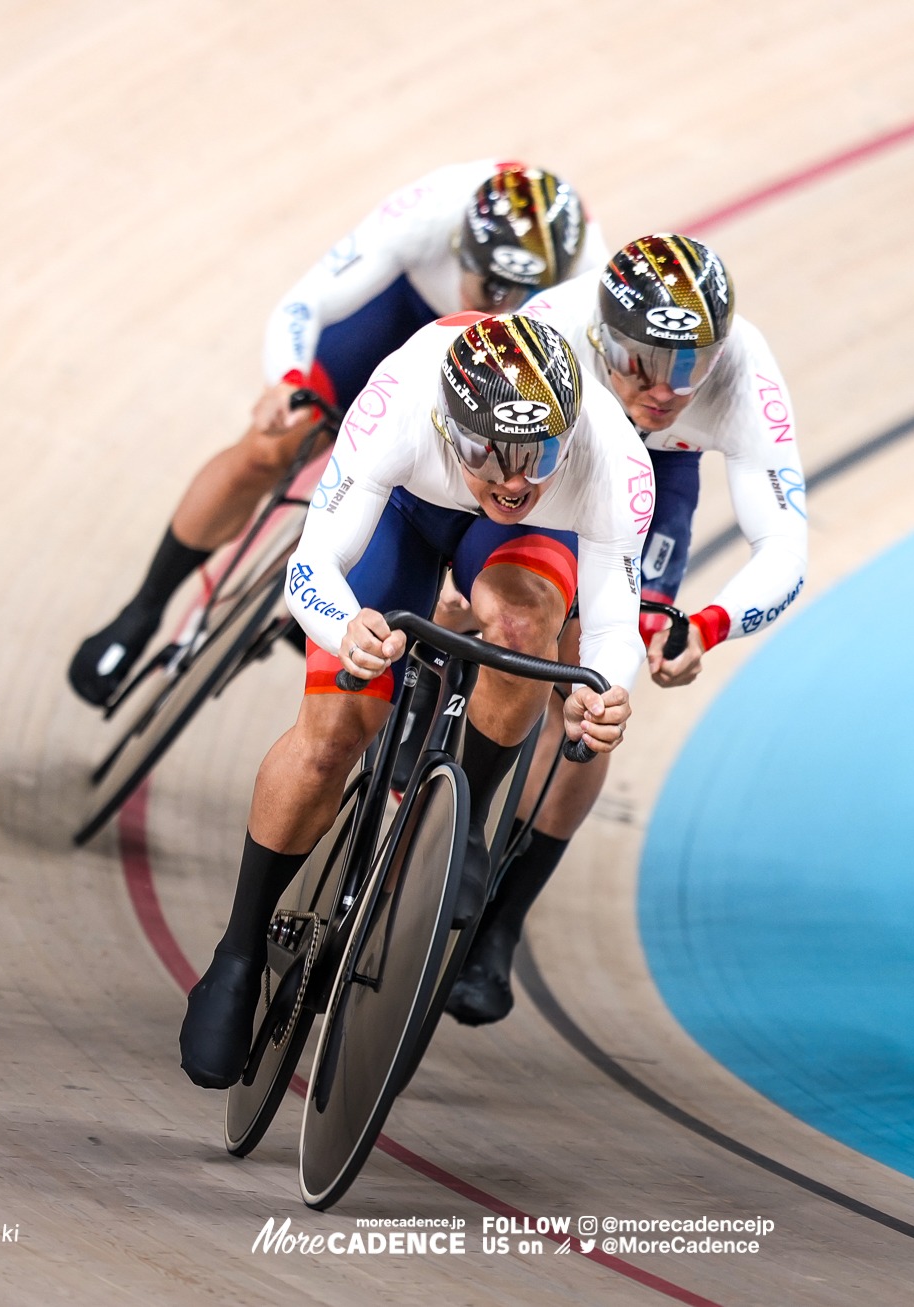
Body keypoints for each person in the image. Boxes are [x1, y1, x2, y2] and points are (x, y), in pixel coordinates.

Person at [177, 313, 651, 1089]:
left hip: (519, 545)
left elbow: (608, 624)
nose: (514, 480)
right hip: (405, 509)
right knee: (334, 734)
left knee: (527, 626)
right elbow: (314, 563)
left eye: (540, 457)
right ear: (446, 423)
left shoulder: (612, 460)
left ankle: (456, 817)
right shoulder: (400, 398)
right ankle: (238, 947)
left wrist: (605, 689)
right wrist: (345, 624)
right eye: (488, 456)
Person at [68, 162, 602, 705]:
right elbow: (305, 304)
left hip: (492, 375)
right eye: (490, 285)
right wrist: (288, 382)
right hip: (400, 318)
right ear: (459, 248)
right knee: (270, 447)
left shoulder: (585, 280)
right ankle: (144, 607)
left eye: (520, 293)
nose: (499, 304)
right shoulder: (426, 214)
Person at [445, 233, 809, 1025]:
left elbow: (785, 545)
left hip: (657, 478)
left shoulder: (744, 368)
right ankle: (441, 771)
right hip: (549, 462)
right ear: (604, 335)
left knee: (595, 686)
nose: (669, 389)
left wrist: (709, 624)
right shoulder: (559, 324)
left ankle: (499, 928)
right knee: (489, 609)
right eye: (644, 360)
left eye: (691, 366)